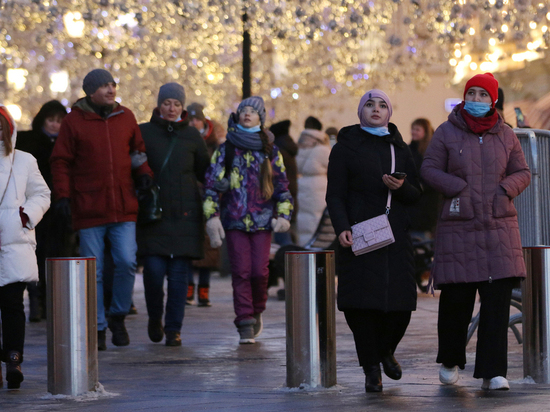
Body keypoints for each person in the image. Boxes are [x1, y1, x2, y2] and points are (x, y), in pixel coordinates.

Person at [421, 73, 530, 391]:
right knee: (457, 299)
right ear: (465, 97)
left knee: (496, 303)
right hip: (459, 227)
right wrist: (457, 188)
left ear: (494, 100)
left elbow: (522, 171)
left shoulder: (506, 135)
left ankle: (493, 371)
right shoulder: (446, 132)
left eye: (484, 94)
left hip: (498, 228)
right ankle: (451, 359)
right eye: (473, 93)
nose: (478, 99)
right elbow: (429, 168)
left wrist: (504, 190)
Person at [50, 69, 154, 351]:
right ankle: (97, 326)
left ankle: (117, 315)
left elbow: (137, 152)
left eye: (112, 85)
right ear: (91, 91)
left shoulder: (126, 117)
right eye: (104, 86)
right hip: (89, 206)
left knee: (126, 261)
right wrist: (62, 196)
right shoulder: (74, 121)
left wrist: (144, 174)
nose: (110, 90)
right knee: (92, 271)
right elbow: (61, 161)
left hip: (123, 204)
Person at [326, 89, 421, 392]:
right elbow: (335, 194)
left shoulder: (400, 148)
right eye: (370, 104)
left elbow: (416, 194)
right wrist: (342, 227)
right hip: (359, 234)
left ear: (390, 113)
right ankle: (371, 368)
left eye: (382, 105)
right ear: (361, 111)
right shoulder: (346, 148)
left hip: (394, 237)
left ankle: (385, 351)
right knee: (361, 307)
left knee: (401, 306)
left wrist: (402, 187)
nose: (376, 109)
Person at [203, 96, 293, 344]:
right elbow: (211, 185)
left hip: (263, 221)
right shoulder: (227, 148)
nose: (247, 114)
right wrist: (212, 218)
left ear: (261, 118)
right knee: (241, 271)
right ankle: (244, 320)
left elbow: (282, 186)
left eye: (253, 111)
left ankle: (256, 310)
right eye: (243, 110)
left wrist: (284, 215)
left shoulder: (270, 150)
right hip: (234, 220)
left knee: (259, 272)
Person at [137, 84, 210, 346]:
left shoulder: (192, 136)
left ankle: (173, 329)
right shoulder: (143, 132)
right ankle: (155, 317)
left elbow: (206, 172)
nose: (171, 108)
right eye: (167, 103)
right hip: (154, 215)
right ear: (159, 105)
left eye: (176, 104)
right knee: (154, 273)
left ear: (182, 108)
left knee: (180, 276)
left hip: (185, 214)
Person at [0, 105, 50, 388]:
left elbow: (42, 193)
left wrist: (26, 216)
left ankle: (13, 360)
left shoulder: (24, 160)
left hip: (14, 242)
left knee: (12, 304)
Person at [15, 100, 69, 322]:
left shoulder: (67, 144)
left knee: (56, 253)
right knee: (35, 254)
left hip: (60, 206)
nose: (55, 125)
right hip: (33, 206)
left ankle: (50, 300)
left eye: (59, 121)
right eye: (51, 120)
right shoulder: (29, 141)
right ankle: (36, 300)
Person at [186, 102, 226, 307]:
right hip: (189, 195)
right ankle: (189, 288)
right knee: (189, 241)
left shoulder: (215, 144)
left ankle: (203, 289)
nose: (193, 122)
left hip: (210, 197)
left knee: (209, 243)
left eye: (196, 118)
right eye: (190, 118)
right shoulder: (184, 138)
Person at [295, 116, 331, 246]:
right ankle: (318, 251)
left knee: (304, 221)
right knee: (317, 220)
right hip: (319, 186)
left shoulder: (300, 146)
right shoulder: (323, 149)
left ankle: (305, 249)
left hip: (302, 184)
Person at [407, 118, 439, 242]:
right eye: (412, 129)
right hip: (411, 200)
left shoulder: (431, 152)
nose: (413, 132)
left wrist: (421, 186)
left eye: (417, 129)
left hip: (425, 203)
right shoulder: (408, 150)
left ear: (425, 132)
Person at [269, 120, 298, 246]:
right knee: (287, 237)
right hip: (290, 199)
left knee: (284, 241)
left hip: (281, 202)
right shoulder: (288, 149)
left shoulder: (279, 152)